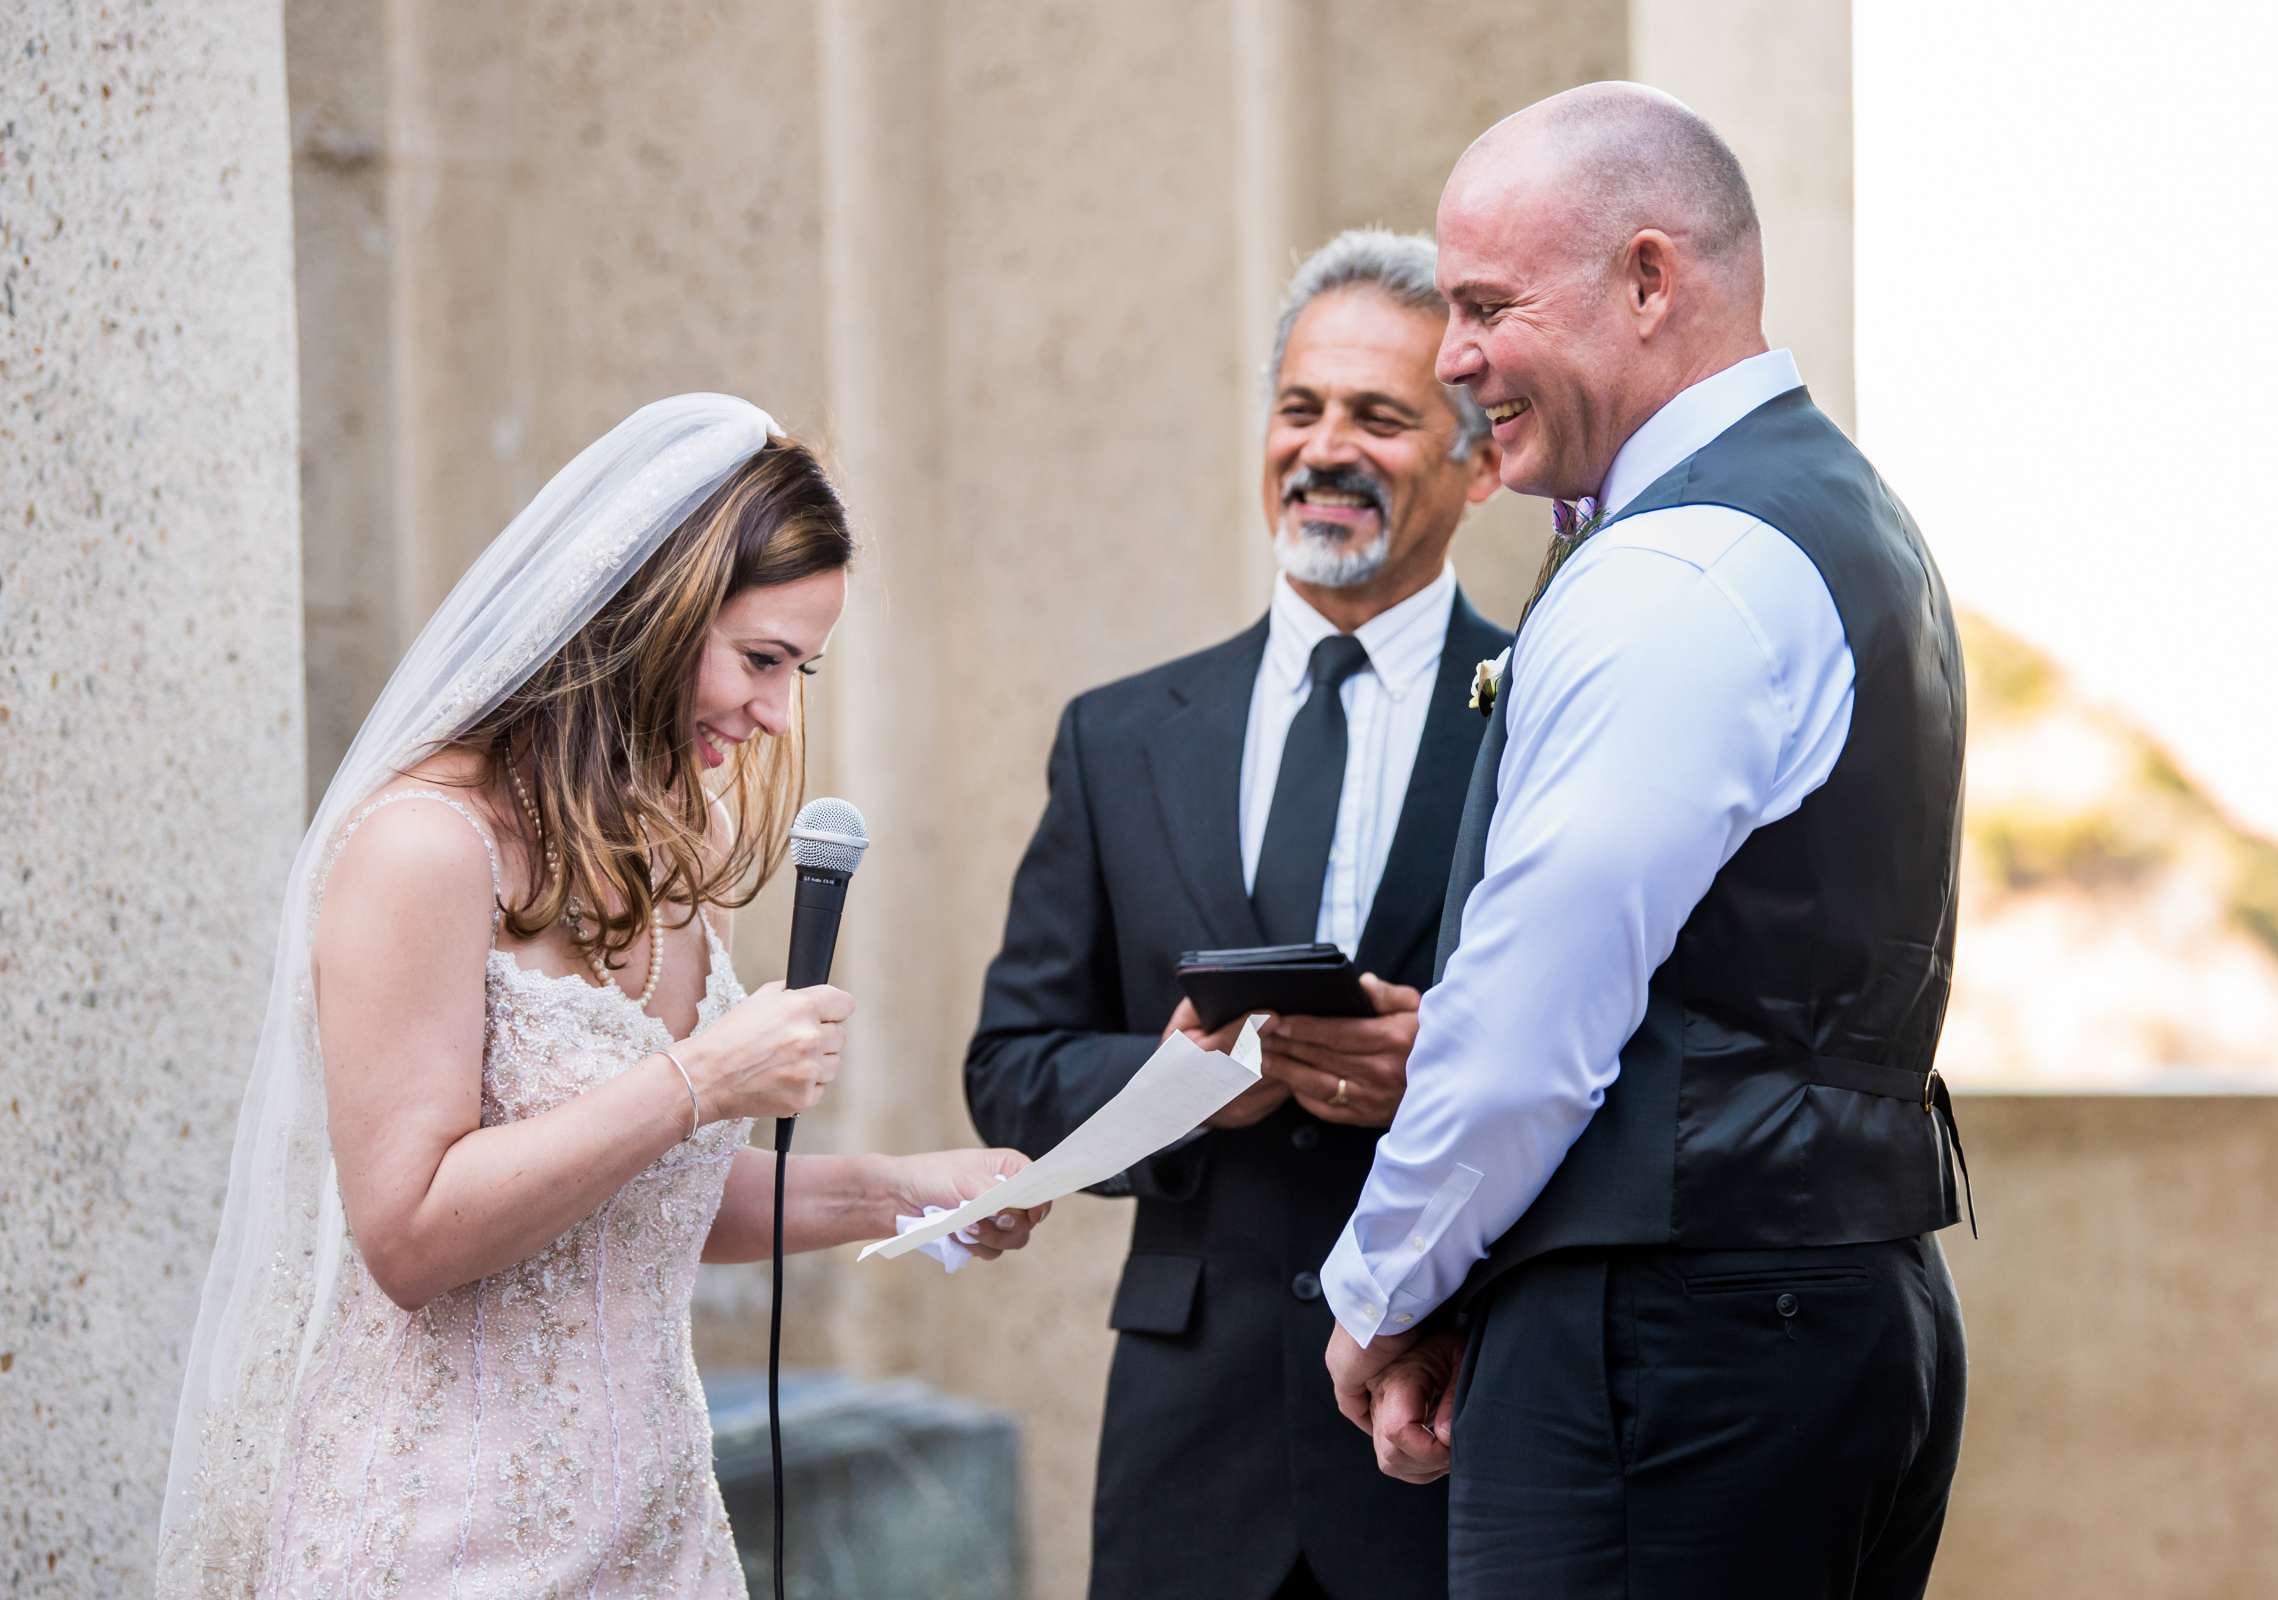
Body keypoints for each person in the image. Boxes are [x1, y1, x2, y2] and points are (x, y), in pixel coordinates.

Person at [157, 395, 1051, 1599]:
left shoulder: (685, 844)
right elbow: (410, 1234)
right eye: (761, 660)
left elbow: (643, 1198)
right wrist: (700, 1078)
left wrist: (901, 1190)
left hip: (654, 1530)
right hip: (440, 1536)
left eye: (803, 669)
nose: (781, 711)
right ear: (654, 615)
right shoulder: (425, 846)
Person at [1317, 85, 1973, 1597]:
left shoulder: (1681, 562)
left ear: (1651, 278)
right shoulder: (1845, 521)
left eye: (1486, 303)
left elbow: (1534, 1016)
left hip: (1684, 1349)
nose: (1453, 354)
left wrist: (1382, 1291)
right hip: (1836, 1307)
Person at [966, 230, 1507, 1600]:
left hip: (1454, 1426)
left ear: (1480, 461)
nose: (1325, 448)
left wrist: (1439, 1066)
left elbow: (1634, 1047)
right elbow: (1011, 1071)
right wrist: (1187, 1087)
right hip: (1185, 1455)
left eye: (1380, 417)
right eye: (1299, 408)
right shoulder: (1121, 736)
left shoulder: (1551, 706)